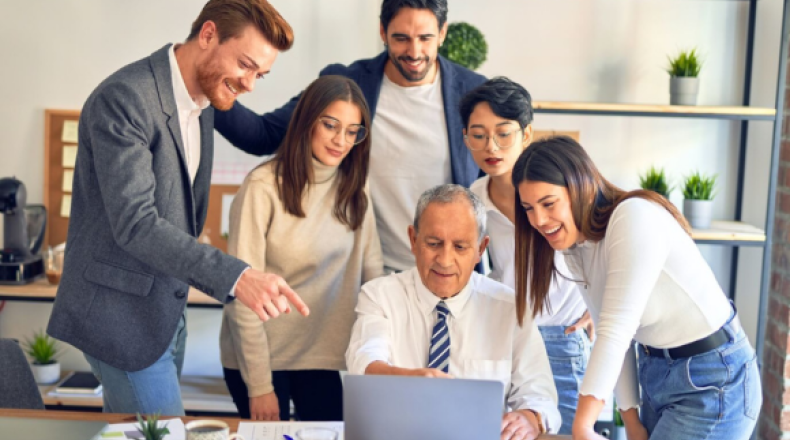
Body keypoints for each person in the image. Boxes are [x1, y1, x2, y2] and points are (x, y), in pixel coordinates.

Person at [46, 0, 310, 416]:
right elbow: (136, 224)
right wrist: (238, 277)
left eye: (260, 74)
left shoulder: (206, 98)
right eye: (245, 65)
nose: (249, 85)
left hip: (165, 311)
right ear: (207, 35)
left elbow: (261, 134)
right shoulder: (125, 99)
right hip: (121, 318)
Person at [512, 136, 762, 440]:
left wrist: (582, 425)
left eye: (548, 203)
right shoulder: (575, 247)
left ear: (580, 187)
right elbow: (614, 334)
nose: (538, 220)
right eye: (528, 208)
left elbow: (616, 332)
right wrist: (630, 420)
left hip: (713, 378)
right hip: (658, 373)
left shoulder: (633, 216)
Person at [214, 0, 487, 273]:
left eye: (425, 38)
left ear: (442, 33)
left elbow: (493, 179)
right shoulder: (348, 82)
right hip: (371, 273)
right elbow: (263, 135)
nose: (414, 52)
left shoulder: (474, 92)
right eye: (401, 38)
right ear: (382, 32)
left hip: (450, 272)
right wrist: (209, 86)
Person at [220, 75, 384, 422]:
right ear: (308, 120)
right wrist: (260, 386)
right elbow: (241, 293)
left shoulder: (354, 187)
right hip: (260, 361)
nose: (341, 140)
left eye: (353, 131)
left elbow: (373, 275)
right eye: (330, 126)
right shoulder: (263, 187)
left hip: (320, 359)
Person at [346, 184, 561, 440]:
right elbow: (364, 362)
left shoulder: (510, 309)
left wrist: (528, 418)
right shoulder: (379, 295)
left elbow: (541, 397)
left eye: (460, 247)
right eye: (434, 243)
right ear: (413, 240)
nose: (445, 260)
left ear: (481, 249)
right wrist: (408, 381)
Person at [460, 77, 592, 435]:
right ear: (465, 138)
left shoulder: (557, 185)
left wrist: (600, 306)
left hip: (562, 340)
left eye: (504, 133)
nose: (492, 146)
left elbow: (605, 238)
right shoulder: (474, 198)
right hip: (509, 340)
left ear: (527, 134)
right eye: (478, 134)